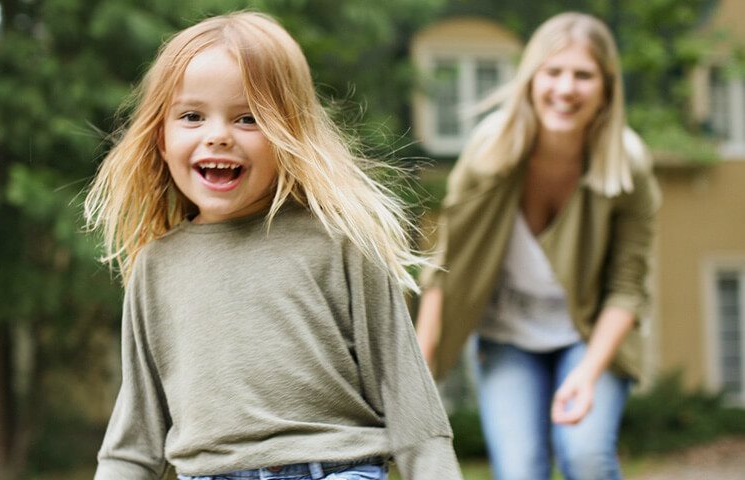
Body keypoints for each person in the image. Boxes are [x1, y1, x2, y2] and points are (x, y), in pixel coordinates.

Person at [83, 11, 460, 480]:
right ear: (161, 138)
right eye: (192, 116)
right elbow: (134, 442)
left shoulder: (341, 242)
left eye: (247, 118)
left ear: (289, 134)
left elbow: (410, 402)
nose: (217, 136)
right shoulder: (157, 267)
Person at [414, 12, 660, 480]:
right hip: (507, 335)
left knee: (584, 454)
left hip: (588, 335)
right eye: (553, 72)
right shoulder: (489, 153)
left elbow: (629, 287)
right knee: (521, 470)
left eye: (583, 75)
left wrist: (587, 374)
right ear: (530, 79)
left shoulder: (628, 165)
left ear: (607, 89)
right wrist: (419, 374)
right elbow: (445, 267)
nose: (566, 89)